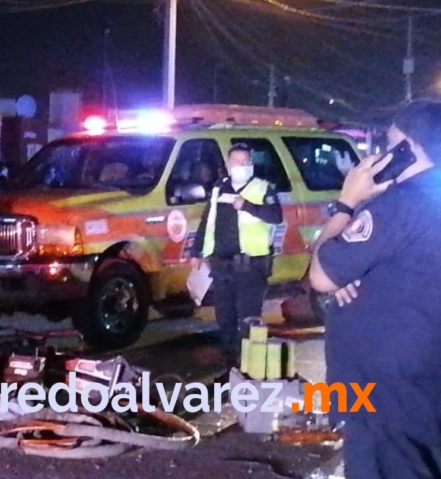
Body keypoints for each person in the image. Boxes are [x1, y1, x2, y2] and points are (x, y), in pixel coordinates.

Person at [307, 100, 441, 479]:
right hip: (424, 383)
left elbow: (320, 273)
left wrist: (346, 202)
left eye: (390, 144)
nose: (381, 155)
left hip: (384, 393)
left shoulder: (401, 202)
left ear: (407, 149)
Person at [189, 143, 284, 372]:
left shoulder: (263, 188)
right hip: (221, 267)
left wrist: (247, 206)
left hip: (251, 268)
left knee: (248, 321)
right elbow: (207, 222)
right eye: (238, 162)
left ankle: (250, 371)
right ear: (229, 165)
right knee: (226, 321)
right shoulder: (219, 189)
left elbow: (275, 216)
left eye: (247, 162)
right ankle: (230, 367)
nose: (243, 166)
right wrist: (196, 253)